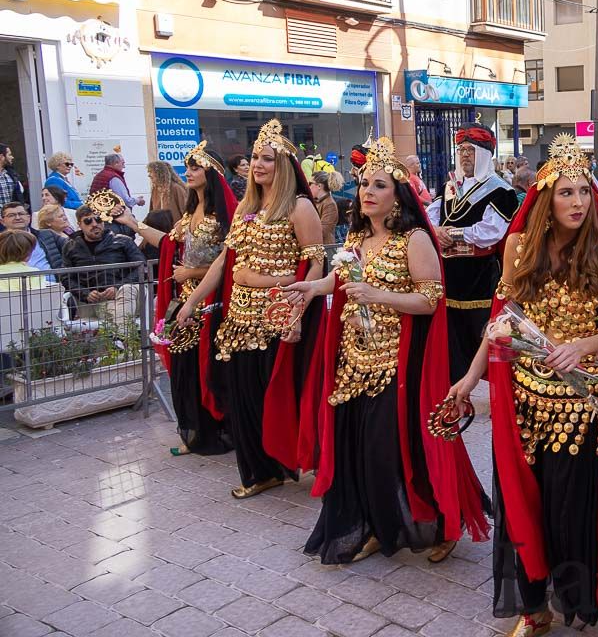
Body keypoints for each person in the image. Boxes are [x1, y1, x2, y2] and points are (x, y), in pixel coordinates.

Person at [447, 133, 598, 637]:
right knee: (525, 504)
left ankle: (596, 594)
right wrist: (471, 376)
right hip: (522, 401)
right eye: (566, 192)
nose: (578, 202)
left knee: (574, 509)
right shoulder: (520, 247)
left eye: (585, 192)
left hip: (580, 403)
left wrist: (584, 344)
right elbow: (504, 320)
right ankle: (534, 608)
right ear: (544, 196)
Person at [285, 137, 489, 566]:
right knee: (357, 447)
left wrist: (379, 295)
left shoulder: (414, 238)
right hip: (353, 359)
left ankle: (438, 520)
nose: (367, 192)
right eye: (363, 185)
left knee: (402, 447)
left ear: (398, 196)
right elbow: (342, 282)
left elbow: (430, 300)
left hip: (399, 364)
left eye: (378, 185)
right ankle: (376, 525)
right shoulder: (358, 238)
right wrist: (313, 287)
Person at [177, 119, 325, 499]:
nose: (258, 165)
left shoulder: (299, 207)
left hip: (278, 319)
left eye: (267, 159)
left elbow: (315, 265)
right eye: (256, 157)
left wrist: (292, 305)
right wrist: (192, 302)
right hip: (238, 320)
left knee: (275, 397)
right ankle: (260, 471)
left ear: (285, 167)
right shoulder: (246, 208)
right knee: (243, 401)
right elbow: (224, 263)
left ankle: (282, 462)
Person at [117, 143, 234, 457]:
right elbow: (167, 243)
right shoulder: (189, 213)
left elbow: (232, 262)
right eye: (188, 167)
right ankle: (192, 436)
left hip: (212, 304)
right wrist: (131, 223)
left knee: (205, 372)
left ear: (211, 172)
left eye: (195, 167)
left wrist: (192, 271)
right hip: (184, 303)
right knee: (184, 371)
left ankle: (215, 435)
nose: (189, 173)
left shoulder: (224, 216)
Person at [427, 124, 519, 384]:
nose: (465, 155)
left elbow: (491, 231)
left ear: (484, 154)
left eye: (471, 150)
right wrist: (436, 230)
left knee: (481, 331)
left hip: (480, 275)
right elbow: (429, 217)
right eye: (461, 149)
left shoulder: (501, 190)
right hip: (450, 275)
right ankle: (458, 387)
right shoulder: (449, 187)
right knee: (453, 335)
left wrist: (450, 234)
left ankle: (492, 387)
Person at [61, 195, 145, 321]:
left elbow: (142, 268)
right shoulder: (71, 246)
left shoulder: (123, 241)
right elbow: (66, 277)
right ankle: (123, 338)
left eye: (98, 219)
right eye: (88, 221)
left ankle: (121, 336)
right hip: (97, 300)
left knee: (127, 289)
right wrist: (85, 293)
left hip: (129, 295)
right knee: (118, 313)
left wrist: (117, 286)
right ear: (79, 225)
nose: (94, 224)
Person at [1, 202, 65, 270]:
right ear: (2, 221)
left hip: (51, 279)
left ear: (29, 218)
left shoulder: (47, 235)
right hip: (13, 280)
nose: (18, 217)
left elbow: (70, 249)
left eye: (21, 214)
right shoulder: (1, 241)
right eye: (11, 215)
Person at [310, 170, 341, 245]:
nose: (308, 186)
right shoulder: (315, 201)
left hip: (325, 249)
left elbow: (323, 231)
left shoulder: (330, 204)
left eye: (310, 183)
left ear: (319, 186)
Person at [0, 143, 27, 208]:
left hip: (10, 215)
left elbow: (19, 197)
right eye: (9, 155)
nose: (12, 157)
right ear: (1, 157)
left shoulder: (11, 175)